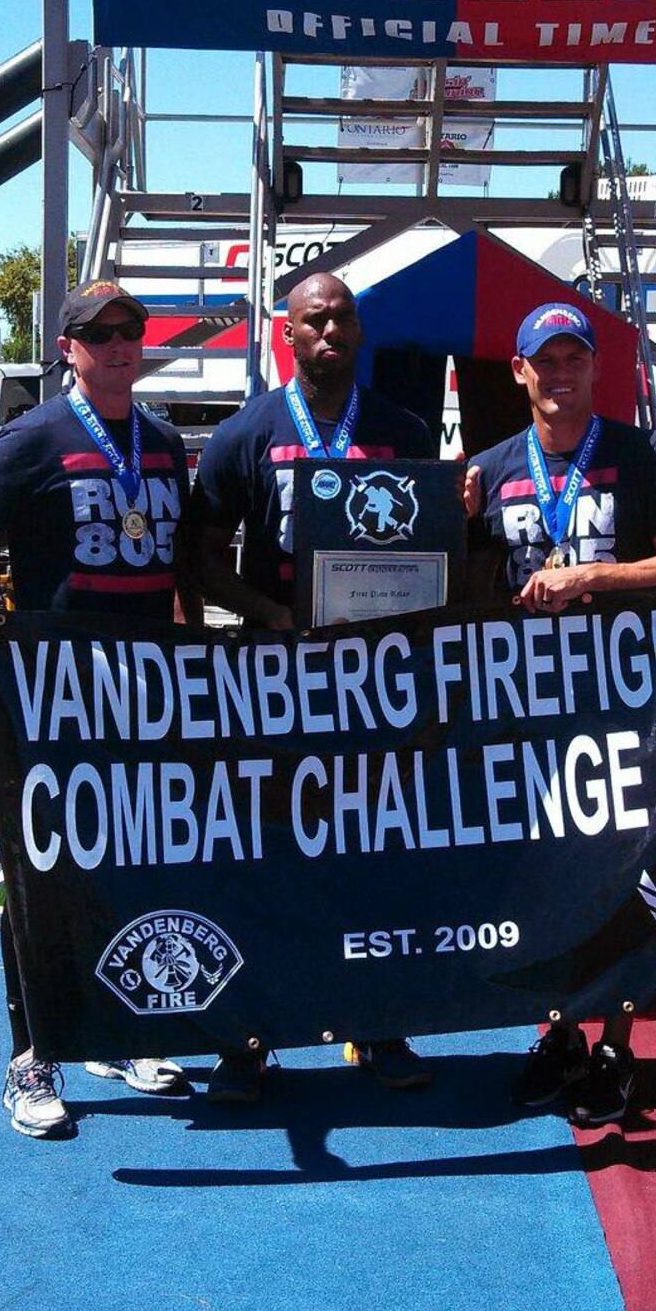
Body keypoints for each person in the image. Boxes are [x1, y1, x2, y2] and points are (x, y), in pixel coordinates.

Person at [0, 282, 198, 1138]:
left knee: (133, 865)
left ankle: (116, 1029)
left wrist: (192, 668)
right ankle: (29, 1052)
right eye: (101, 333)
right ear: (69, 347)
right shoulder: (32, 437)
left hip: (146, 695)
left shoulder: (160, 440)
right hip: (52, 698)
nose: (121, 344)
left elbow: (176, 575)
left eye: (132, 331)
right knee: (41, 874)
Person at [185, 270, 437, 1102]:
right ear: (284, 334)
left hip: (375, 686)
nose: (329, 332)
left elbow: (434, 555)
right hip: (275, 684)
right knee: (266, 860)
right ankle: (250, 1038)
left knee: (374, 855)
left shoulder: (405, 431)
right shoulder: (245, 434)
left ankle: (376, 1022)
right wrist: (270, 617)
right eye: (312, 321)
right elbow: (196, 561)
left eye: (342, 320)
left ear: (360, 333)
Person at [464, 299, 656, 1126]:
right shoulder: (493, 465)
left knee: (625, 873)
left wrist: (587, 578)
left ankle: (616, 1047)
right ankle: (561, 1037)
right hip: (529, 708)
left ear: (596, 367)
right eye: (547, 359)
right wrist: (450, 514)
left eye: (576, 358)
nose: (561, 373)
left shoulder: (644, 453)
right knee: (547, 880)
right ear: (520, 371)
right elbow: (468, 586)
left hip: (630, 700)